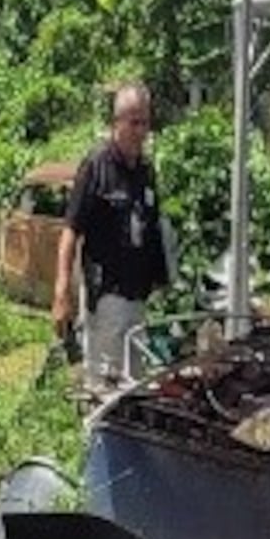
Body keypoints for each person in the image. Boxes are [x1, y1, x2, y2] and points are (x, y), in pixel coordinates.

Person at [53, 83, 171, 388]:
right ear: (116, 122)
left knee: (134, 389)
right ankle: (98, 436)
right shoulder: (96, 167)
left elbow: (152, 228)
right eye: (133, 122)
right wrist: (62, 290)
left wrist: (163, 280)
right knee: (104, 389)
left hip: (137, 299)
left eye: (144, 122)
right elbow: (70, 231)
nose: (140, 130)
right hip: (106, 297)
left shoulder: (145, 171)